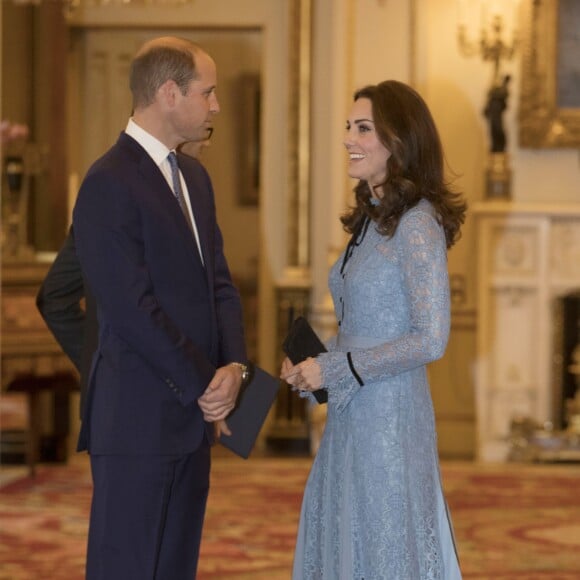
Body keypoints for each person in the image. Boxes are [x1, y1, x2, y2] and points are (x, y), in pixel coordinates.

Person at [69, 36, 248, 580]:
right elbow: (131, 310)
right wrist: (205, 384)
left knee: (174, 569)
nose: (216, 105)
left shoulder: (194, 176)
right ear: (169, 93)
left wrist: (234, 370)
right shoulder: (107, 182)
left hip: (193, 423)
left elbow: (219, 284)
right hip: (137, 424)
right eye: (207, 92)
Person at [281, 80, 466, 579]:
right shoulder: (370, 221)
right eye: (349, 126)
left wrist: (335, 367)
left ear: (399, 143)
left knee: (384, 545)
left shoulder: (417, 224)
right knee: (348, 537)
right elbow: (361, 325)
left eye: (363, 128)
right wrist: (311, 367)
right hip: (351, 410)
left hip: (389, 418)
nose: (348, 138)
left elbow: (431, 337)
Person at [36, 136, 212, 419]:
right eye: (204, 133)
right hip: (127, 406)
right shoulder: (111, 195)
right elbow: (55, 298)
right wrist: (101, 362)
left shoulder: (196, 197)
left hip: (191, 402)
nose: (207, 143)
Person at [484, 74, 510, 153]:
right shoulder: (495, 94)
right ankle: (495, 147)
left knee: (498, 130)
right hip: (494, 115)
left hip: (497, 115)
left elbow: (503, 95)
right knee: (493, 131)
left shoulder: (503, 90)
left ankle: (499, 147)